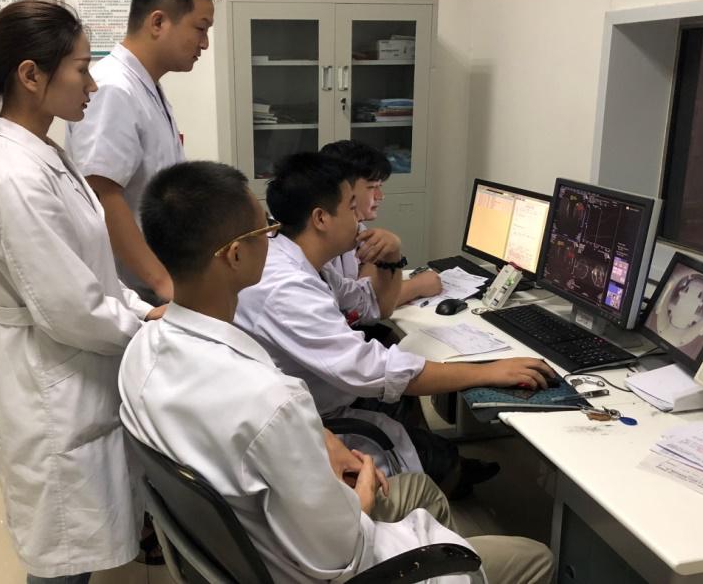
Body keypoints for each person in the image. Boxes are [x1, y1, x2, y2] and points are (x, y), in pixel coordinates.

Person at [119, 160, 553, 584]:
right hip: (338, 562)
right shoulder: (272, 399)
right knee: (535, 558)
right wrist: (360, 496)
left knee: (422, 490)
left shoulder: (142, 349)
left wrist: (321, 438)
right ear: (235, 255)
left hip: (248, 547)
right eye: (265, 230)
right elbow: (336, 554)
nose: (274, 237)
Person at [0, 0, 160, 583]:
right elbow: (71, 308)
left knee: (72, 540)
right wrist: (150, 330)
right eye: (82, 69)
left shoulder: (44, 153)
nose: (92, 85)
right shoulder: (14, 173)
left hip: (68, 368)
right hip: (50, 381)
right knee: (62, 554)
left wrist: (145, 309)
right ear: (31, 75)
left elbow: (92, 275)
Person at [233, 152, 555, 477]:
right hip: (311, 420)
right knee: (429, 447)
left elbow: (370, 303)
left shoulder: (303, 263)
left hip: (325, 393)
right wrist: (486, 372)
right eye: (351, 208)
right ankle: (439, 474)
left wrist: (391, 256)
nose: (359, 220)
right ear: (321, 219)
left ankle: (435, 461)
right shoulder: (287, 287)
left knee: (410, 410)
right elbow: (372, 370)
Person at [66, 0, 219, 304]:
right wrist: (163, 282)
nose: (205, 43)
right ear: (158, 22)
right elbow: (103, 195)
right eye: (200, 28)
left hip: (155, 277)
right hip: (134, 292)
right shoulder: (113, 88)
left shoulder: (145, 86)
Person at [320, 139, 443, 307]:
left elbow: (364, 290)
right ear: (342, 189)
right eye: (372, 187)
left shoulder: (355, 227)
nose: (380, 196)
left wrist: (380, 257)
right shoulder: (317, 245)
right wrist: (417, 286)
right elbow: (359, 306)